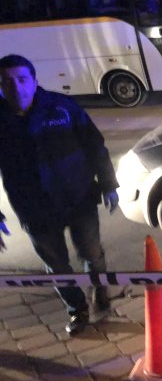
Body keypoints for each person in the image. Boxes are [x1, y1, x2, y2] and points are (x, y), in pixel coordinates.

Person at [0, 54, 119, 336]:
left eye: (22, 79)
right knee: (56, 264)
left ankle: (100, 293)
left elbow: (95, 145)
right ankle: (77, 309)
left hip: (79, 198)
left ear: (34, 81)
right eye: (7, 82)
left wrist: (108, 184)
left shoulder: (62, 107)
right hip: (33, 209)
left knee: (92, 253)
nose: (16, 87)